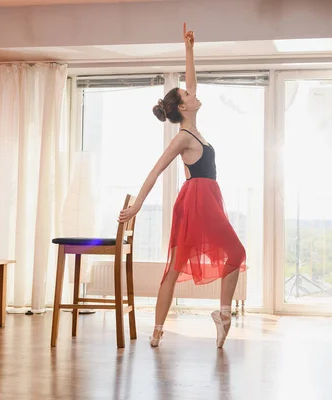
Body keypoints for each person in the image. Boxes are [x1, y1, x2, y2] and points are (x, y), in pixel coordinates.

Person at [118, 23, 246, 349]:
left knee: (227, 254)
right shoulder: (183, 138)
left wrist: (189, 50)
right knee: (178, 266)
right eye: (188, 95)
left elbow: (191, 83)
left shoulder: (196, 128)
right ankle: (162, 328)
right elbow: (155, 171)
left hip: (208, 197)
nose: (193, 93)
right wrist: (137, 206)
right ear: (183, 108)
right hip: (195, 201)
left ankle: (221, 314)